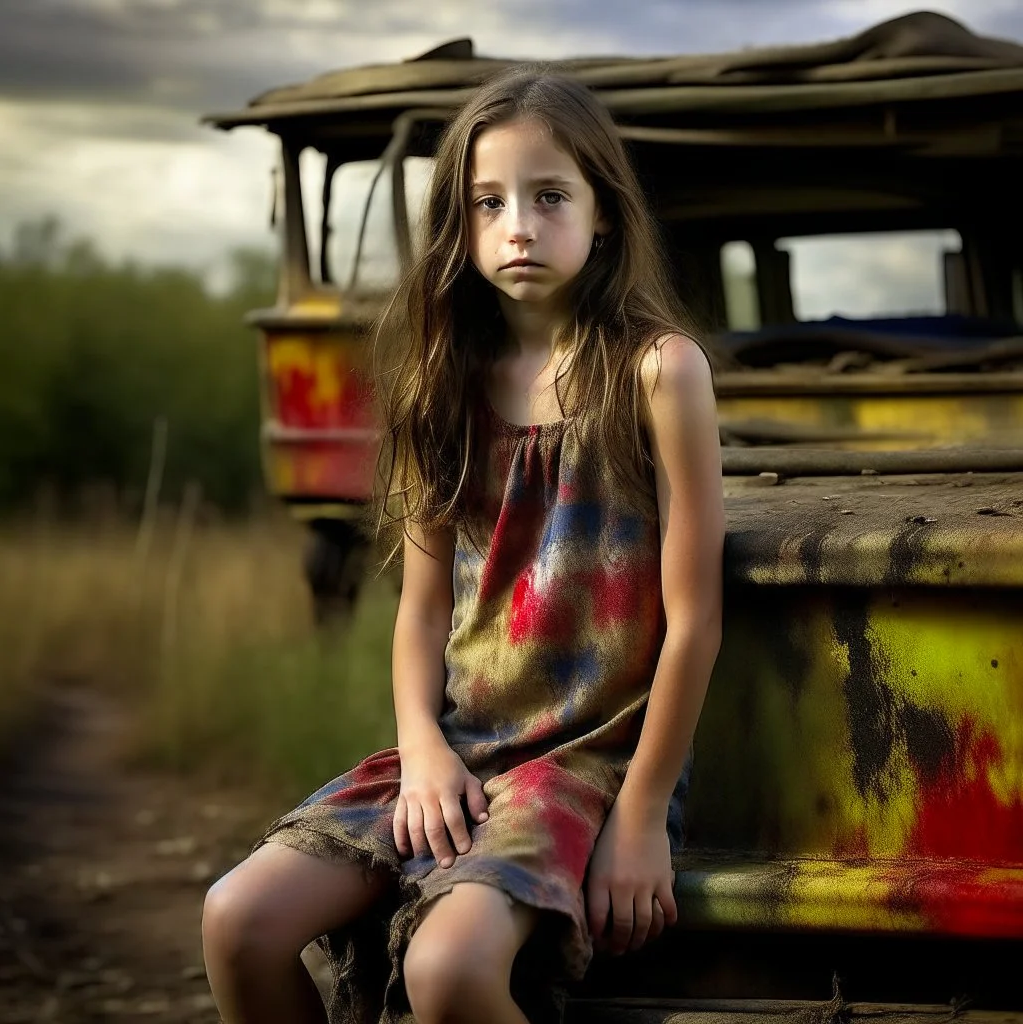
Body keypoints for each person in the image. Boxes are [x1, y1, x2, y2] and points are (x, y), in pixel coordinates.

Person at [201, 65, 724, 1024]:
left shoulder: (659, 372)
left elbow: (694, 621)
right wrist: (423, 747)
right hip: (455, 751)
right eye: (489, 203)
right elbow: (424, 609)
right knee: (237, 920)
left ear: (604, 213)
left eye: (549, 196)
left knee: (448, 973)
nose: (518, 224)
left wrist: (644, 813)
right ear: (461, 222)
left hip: (585, 762)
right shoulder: (444, 382)